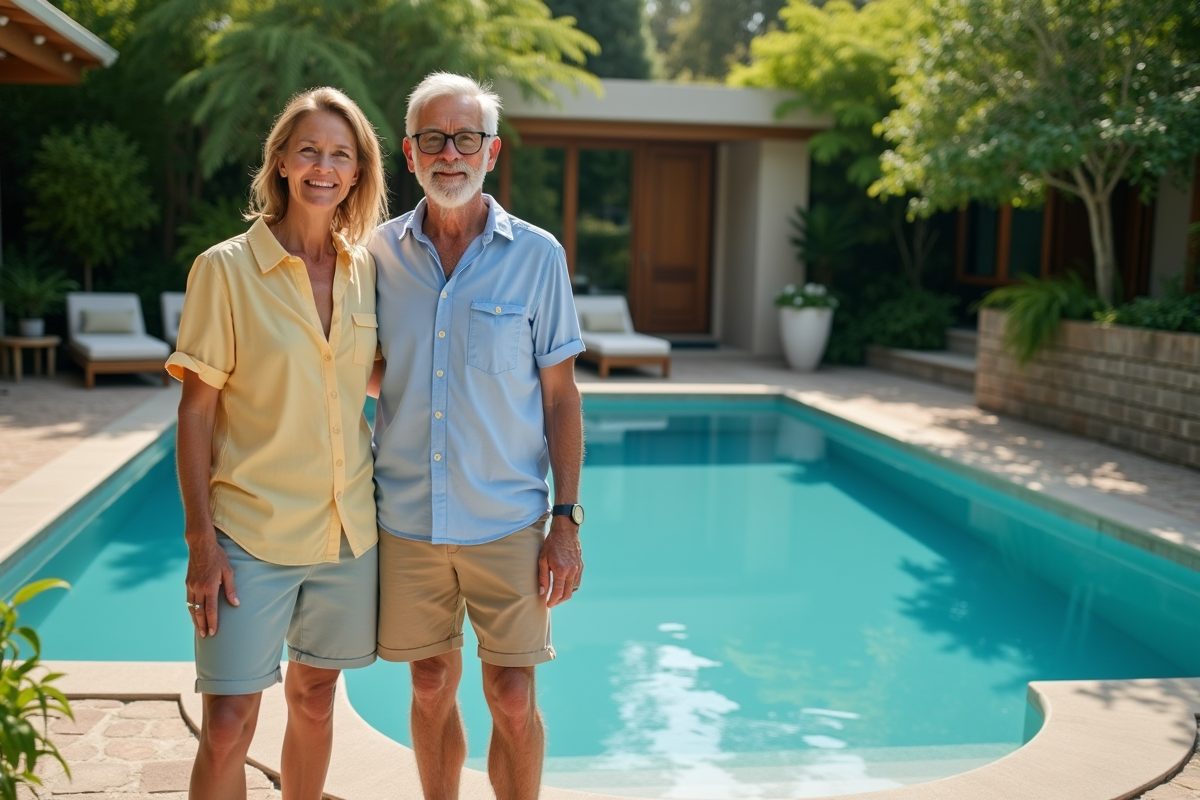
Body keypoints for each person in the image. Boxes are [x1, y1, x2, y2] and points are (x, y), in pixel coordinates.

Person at [368, 72, 586, 800]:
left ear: (491, 153)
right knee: (430, 685)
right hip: (408, 519)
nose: (450, 153)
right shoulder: (375, 257)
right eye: (434, 138)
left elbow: (561, 397)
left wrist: (566, 518)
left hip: (509, 522)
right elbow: (363, 370)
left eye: (467, 138)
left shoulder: (539, 256)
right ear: (409, 153)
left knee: (513, 697)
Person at [167, 86, 388, 800]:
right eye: (309, 151)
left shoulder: (368, 274)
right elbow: (196, 413)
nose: (324, 166)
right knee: (230, 722)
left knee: (316, 698)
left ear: (358, 173)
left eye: (340, 155)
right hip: (248, 536)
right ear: (283, 164)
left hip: (345, 535)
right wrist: (201, 540)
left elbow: (383, 380)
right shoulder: (225, 270)